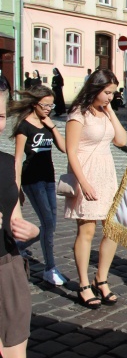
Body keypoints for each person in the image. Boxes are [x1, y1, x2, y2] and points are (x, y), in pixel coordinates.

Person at [65, 69, 127, 309]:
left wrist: (110, 111)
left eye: (113, 93)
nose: (110, 97)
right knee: (87, 231)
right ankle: (83, 284)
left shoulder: (105, 112)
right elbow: (71, 151)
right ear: (95, 89)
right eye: (107, 92)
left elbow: (121, 140)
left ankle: (101, 279)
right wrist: (83, 182)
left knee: (113, 230)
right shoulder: (78, 114)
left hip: (107, 175)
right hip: (86, 174)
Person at [0, 81, 41, 358]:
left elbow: (15, 219)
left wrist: (31, 231)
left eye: (0, 115)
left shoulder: (3, 165)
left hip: (7, 272)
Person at [10, 85, 67, 286]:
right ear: (34, 104)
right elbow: (17, 160)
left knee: (51, 221)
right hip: (32, 180)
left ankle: (18, 245)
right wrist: (16, 189)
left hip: (48, 178)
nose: (48, 109)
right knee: (48, 223)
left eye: (51, 105)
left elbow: (64, 148)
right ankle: (50, 268)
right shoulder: (24, 126)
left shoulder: (46, 124)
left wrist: (52, 126)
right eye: (45, 105)